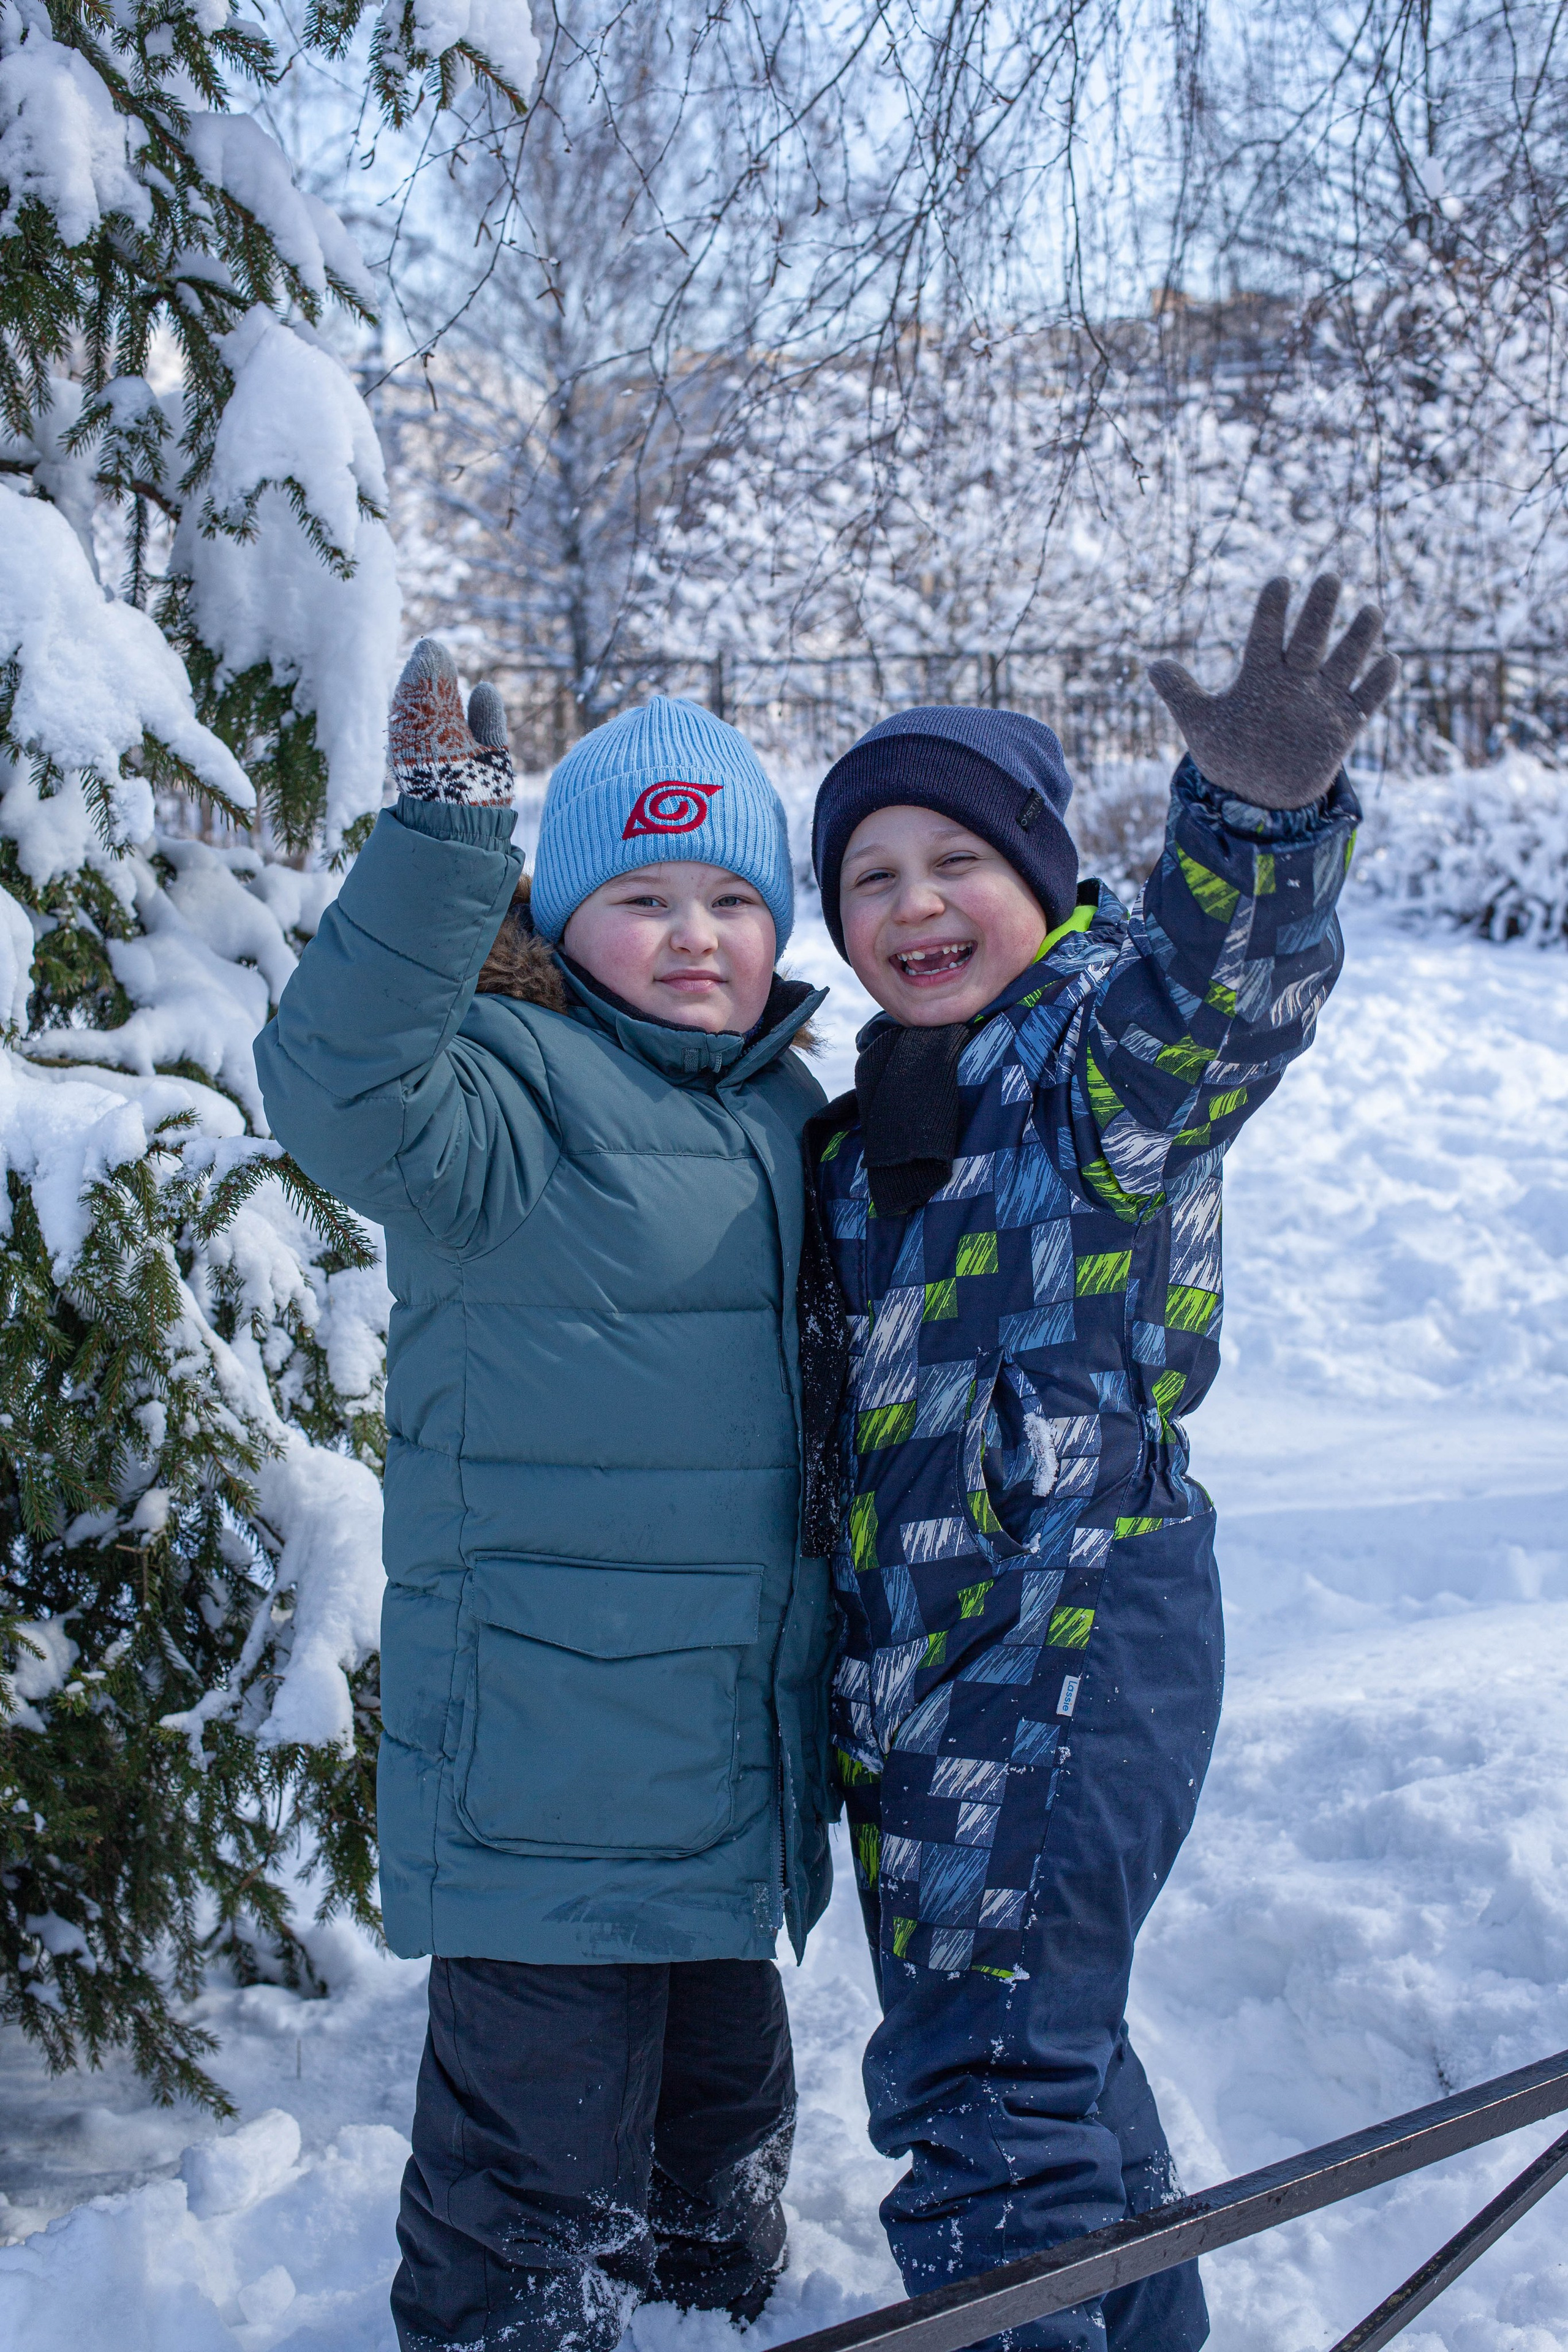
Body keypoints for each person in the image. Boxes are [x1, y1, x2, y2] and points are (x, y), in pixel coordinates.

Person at [805, 576, 1400, 2350]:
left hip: (1070, 1633)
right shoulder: (865, 1125)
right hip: (931, 1681)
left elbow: (1225, 998)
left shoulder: (1091, 1071)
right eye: (870, 877)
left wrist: (1258, 820)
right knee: (1036, 2070)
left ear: (1052, 880)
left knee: (985, 2098)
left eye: (955, 862)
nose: (916, 903)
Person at [255, 644, 839, 2351]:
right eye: (641, 894)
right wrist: (442, 853)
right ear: (556, 918)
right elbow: (337, 1089)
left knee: (719, 2180)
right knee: (532, 2196)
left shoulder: (791, 1113)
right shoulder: (499, 1099)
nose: (693, 934)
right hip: (544, 1786)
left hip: (726, 1788)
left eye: (732, 896)